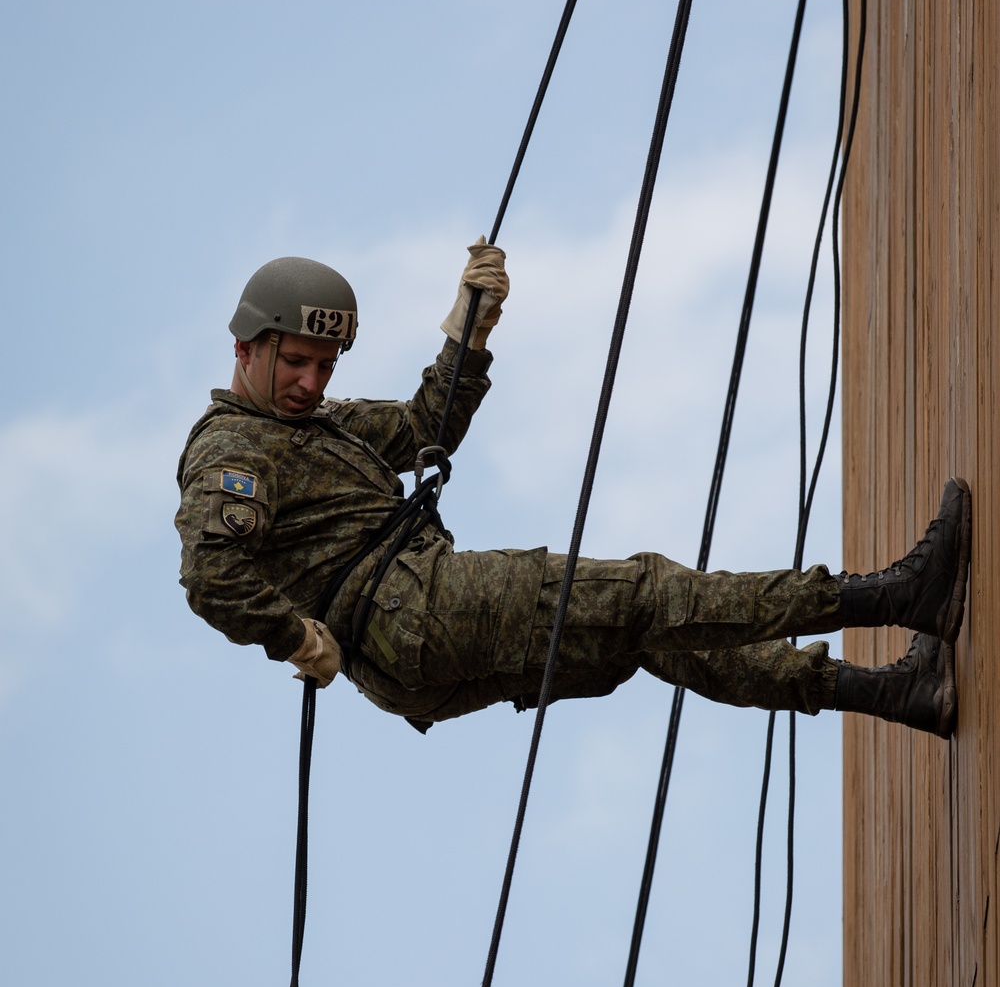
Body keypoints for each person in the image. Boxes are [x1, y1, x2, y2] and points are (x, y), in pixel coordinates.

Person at [175, 248, 972, 739]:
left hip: (404, 665)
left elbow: (427, 426)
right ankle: (897, 596)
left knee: (651, 636)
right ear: (247, 346)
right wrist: (290, 637)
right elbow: (212, 574)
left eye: (325, 365)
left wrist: (468, 334)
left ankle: (895, 695)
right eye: (295, 364)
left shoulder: (324, 424)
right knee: (648, 592)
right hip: (412, 610)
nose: (310, 383)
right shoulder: (231, 448)